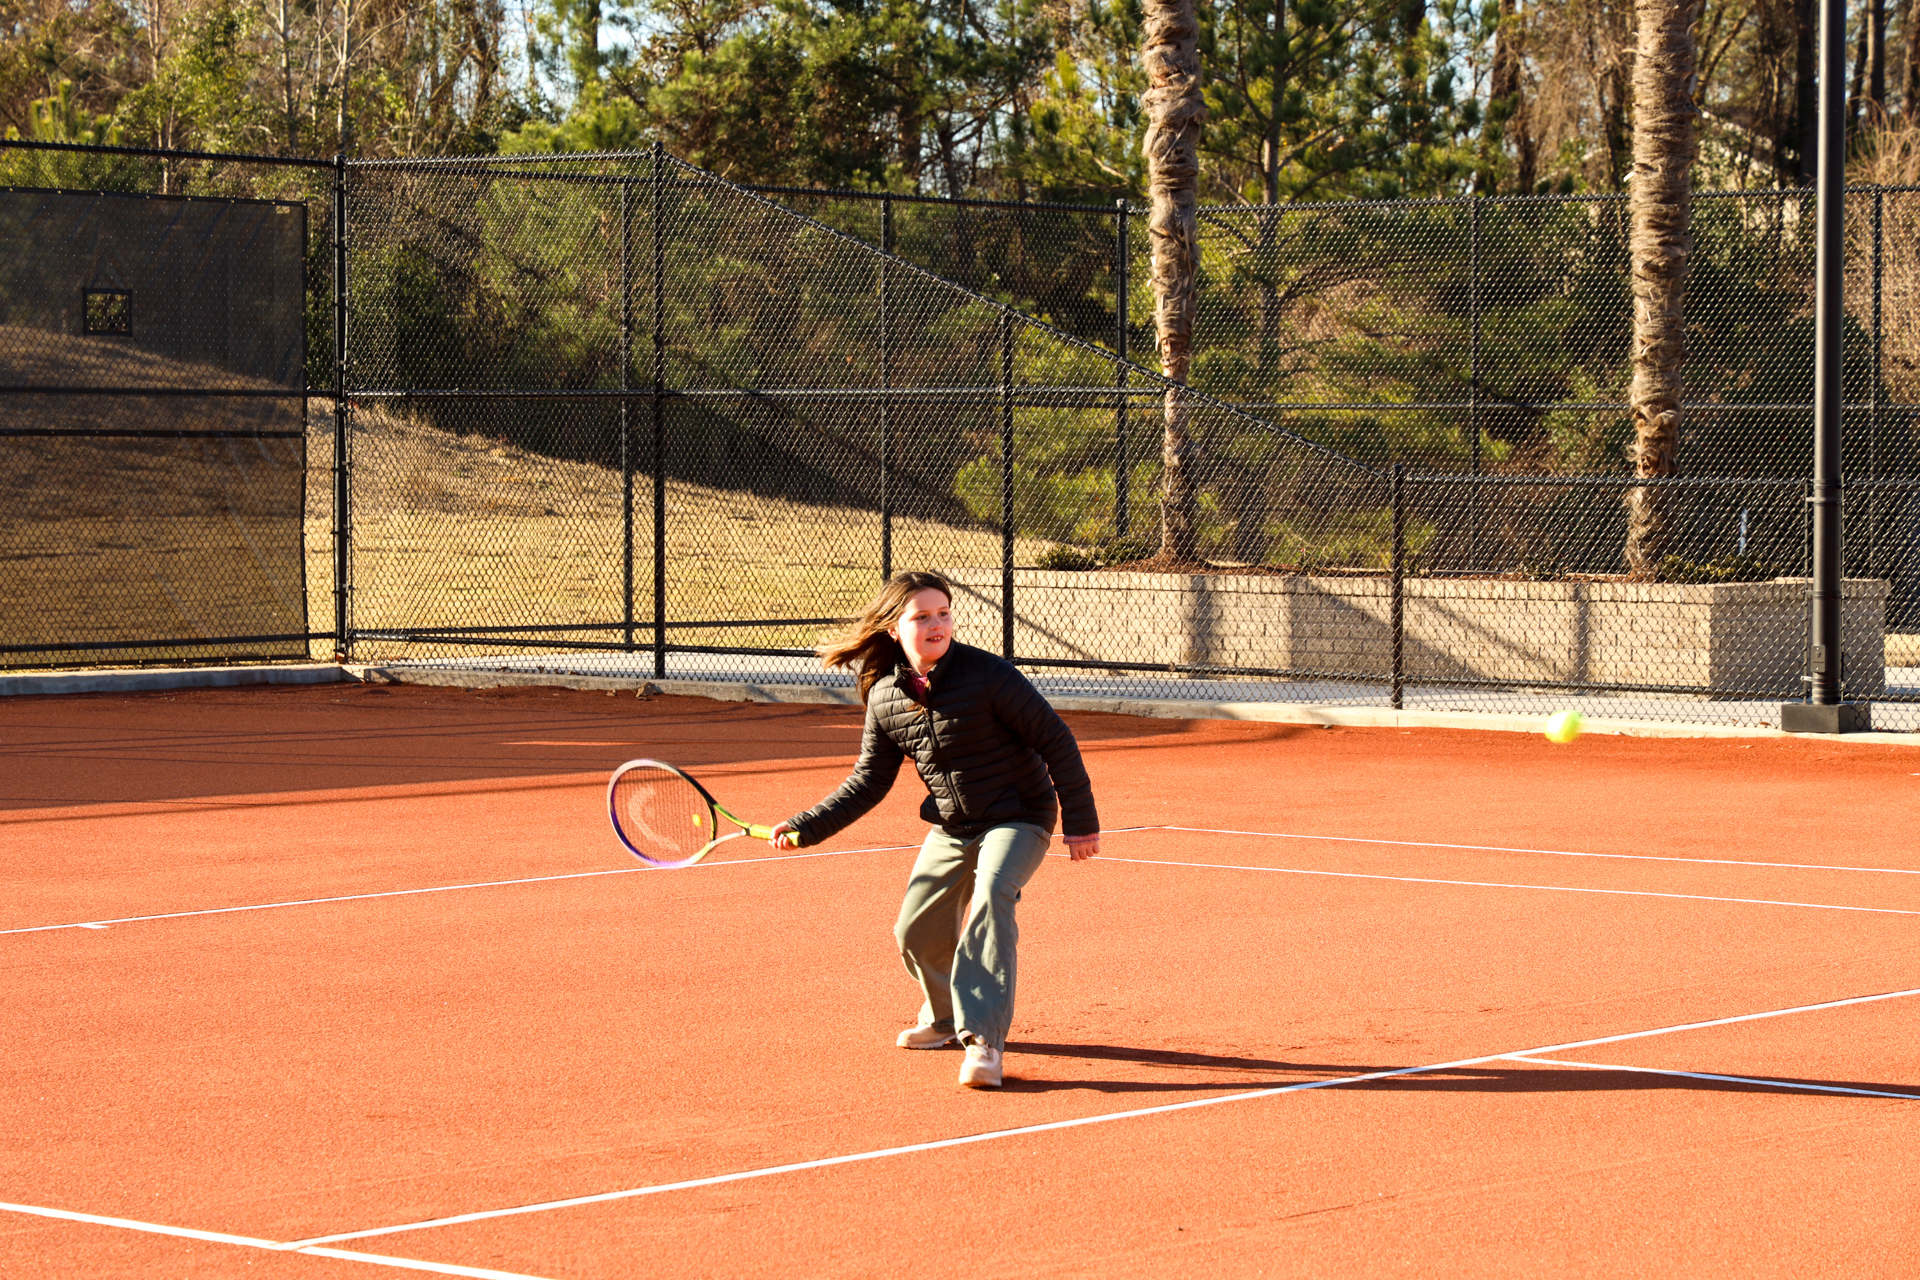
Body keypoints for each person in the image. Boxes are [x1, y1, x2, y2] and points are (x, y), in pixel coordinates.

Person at [769, 571, 1100, 1089]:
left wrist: (1080, 823)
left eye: (943, 613)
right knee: (915, 929)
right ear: (893, 629)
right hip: (953, 824)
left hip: (1019, 814)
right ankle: (944, 1017)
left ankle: (984, 1042)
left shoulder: (989, 676)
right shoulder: (885, 698)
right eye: (921, 616)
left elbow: (1057, 740)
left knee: (993, 897)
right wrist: (807, 826)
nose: (936, 624)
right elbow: (867, 783)